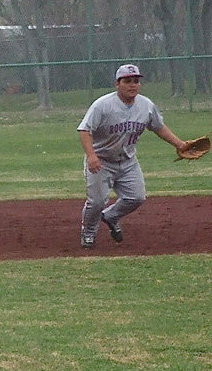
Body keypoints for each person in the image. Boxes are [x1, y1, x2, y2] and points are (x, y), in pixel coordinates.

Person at [77, 63, 194, 249]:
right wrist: (91, 156)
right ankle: (89, 232)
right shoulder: (102, 105)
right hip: (101, 161)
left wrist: (179, 144)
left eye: (136, 81)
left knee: (136, 198)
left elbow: (158, 127)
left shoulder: (146, 105)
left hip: (128, 161)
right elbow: (84, 130)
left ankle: (111, 216)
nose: (133, 85)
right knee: (97, 201)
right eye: (127, 81)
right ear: (117, 84)